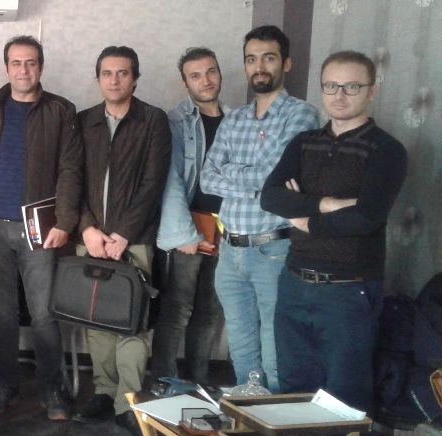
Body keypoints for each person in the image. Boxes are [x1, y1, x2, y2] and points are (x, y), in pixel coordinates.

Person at [261, 51, 407, 412]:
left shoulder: (386, 149)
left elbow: (365, 218)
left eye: (351, 87)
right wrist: (328, 204)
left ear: (371, 91)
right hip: (294, 284)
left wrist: (306, 219)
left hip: (349, 290)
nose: (339, 95)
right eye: (330, 86)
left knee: (345, 395)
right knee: (293, 389)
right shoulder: (303, 142)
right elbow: (271, 196)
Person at [199, 25, 319, 392]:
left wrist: (238, 174)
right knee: (241, 343)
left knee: (276, 342)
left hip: (274, 249)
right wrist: (259, 183)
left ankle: (278, 416)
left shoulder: (301, 115)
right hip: (230, 250)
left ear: (286, 63)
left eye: (268, 58)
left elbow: (273, 174)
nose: (259, 67)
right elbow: (207, 178)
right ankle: (249, 410)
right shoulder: (234, 118)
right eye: (251, 59)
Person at [0, 35, 83, 421]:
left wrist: (65, 222)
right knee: (2, 314)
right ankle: (6, 385)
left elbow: (70, 170)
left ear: (41, 67)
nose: (23, 70)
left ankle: (53, 389)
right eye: (16, 63)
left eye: (31, 62)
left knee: (44, 315)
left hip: (41, 232)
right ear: (6, 68)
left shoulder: (61, 110)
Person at [73, 46, 171, 436]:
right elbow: (72, 180)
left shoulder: (153, 120)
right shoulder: (84, 121)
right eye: (107, 73)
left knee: (132, 324)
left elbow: (153, 183)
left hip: (135, 241)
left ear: (135, 78)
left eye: (123, 73)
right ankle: (103, 392)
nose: (114, 80)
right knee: (97, 322)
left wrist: (124, 234)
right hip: (91, 241)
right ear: (98, 78)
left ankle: (127, 404)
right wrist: (87, 228)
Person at [151, 47, 228, 386]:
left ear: (219, 74)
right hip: (188, 224)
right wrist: (183, 234)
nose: (205, 80)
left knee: (210, 311)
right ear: (185, 84)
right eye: (195, 75)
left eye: (211, 71)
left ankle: (199, 382)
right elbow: (170, 179)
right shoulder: (176, 121)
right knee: (177, 310)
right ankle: (164, 383)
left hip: (226, 228)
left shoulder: (237, 120)